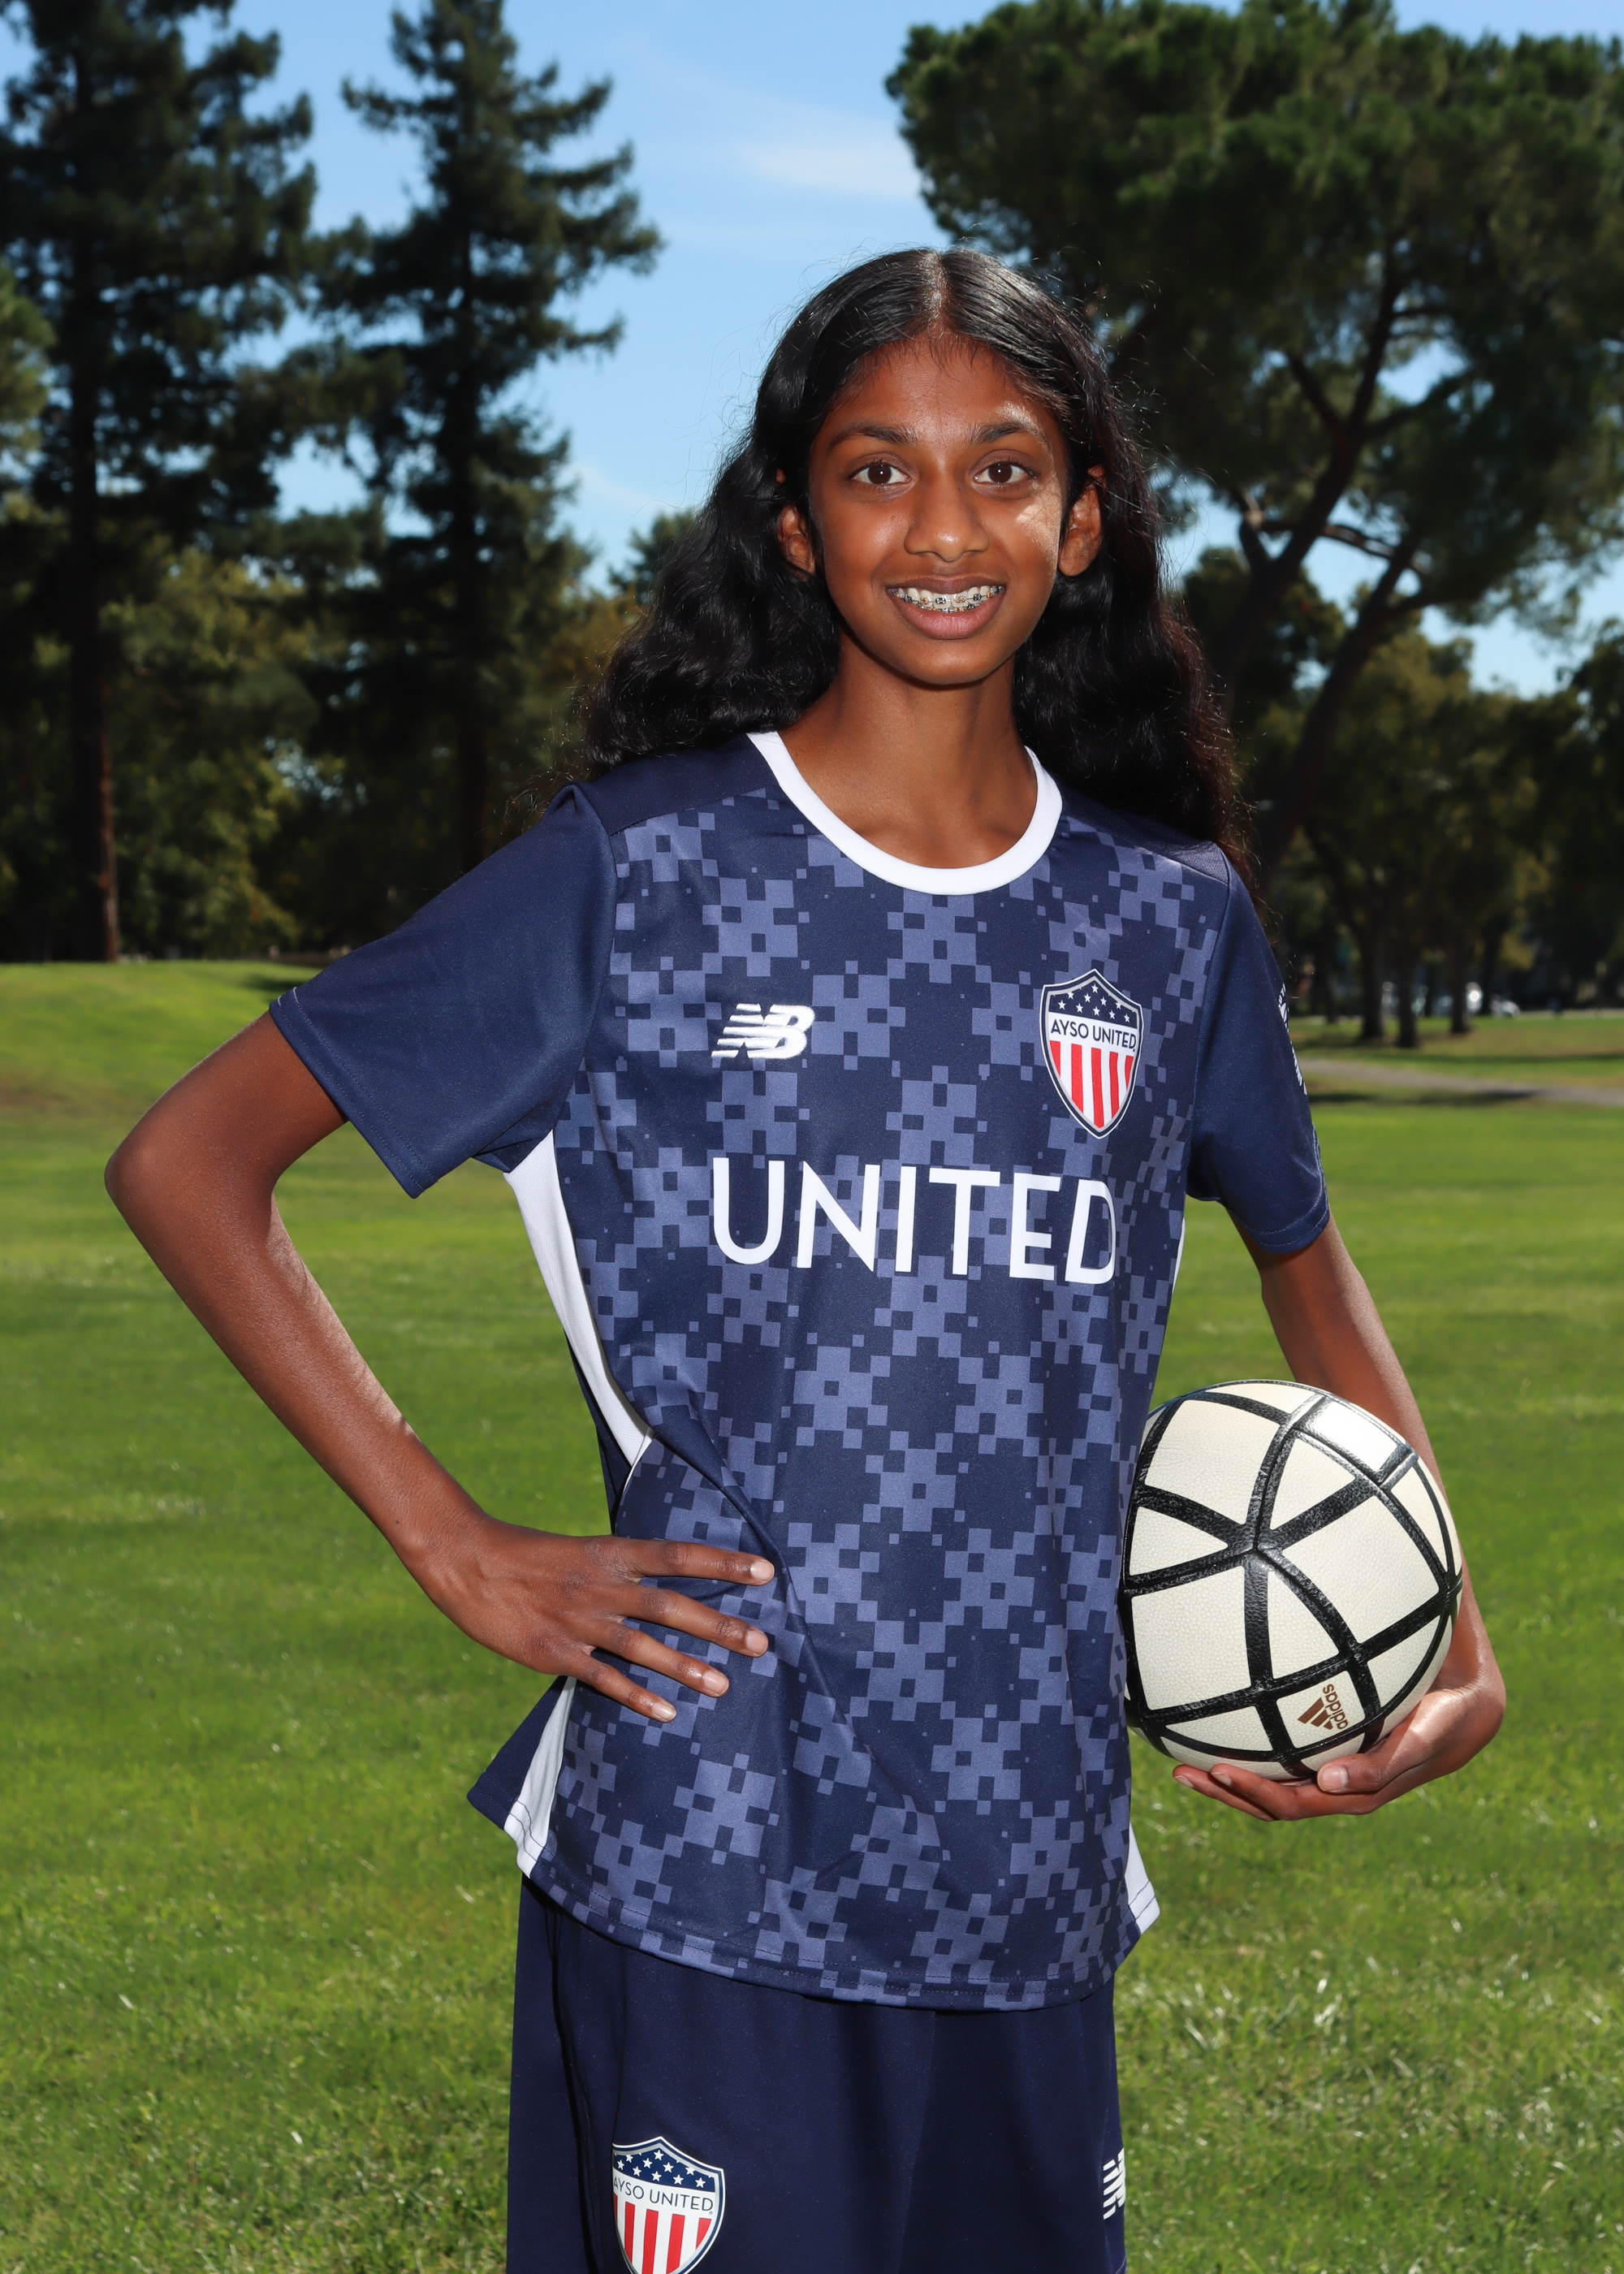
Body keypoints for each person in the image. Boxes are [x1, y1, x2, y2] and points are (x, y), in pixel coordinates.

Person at [106, 249, 1504, 2274]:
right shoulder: (643, 869)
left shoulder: (1168, 918)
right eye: (876, 470)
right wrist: (454, 1542)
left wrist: (1448, 1642)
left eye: (1003, 469)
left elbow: (1309, 1265)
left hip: (1031, 1877)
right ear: (793, 521)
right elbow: (191, 1160)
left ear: (1081, 521)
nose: (942, 527)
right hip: (707, 1867)